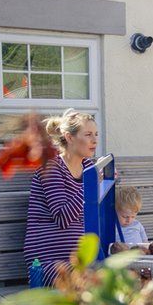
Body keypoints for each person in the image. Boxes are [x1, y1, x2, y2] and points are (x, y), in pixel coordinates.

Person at [23, 109, 98, 286]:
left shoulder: (89, 167)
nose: (94, 140)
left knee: (129, 271)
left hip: (79, 260)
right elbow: (63, 218)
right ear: (69, 137)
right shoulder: (51, 167)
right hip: (47, 263)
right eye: (88, 134)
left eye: (96, 134)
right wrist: (92, 185)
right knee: (93, 283)